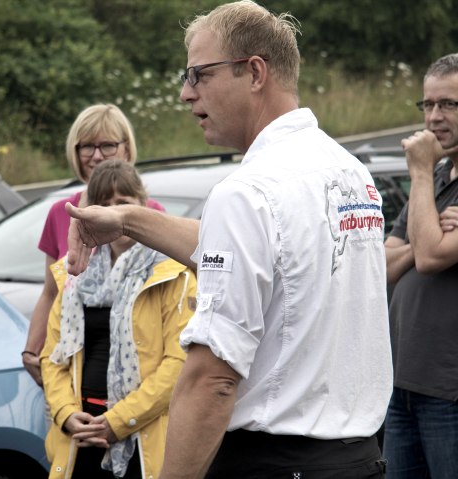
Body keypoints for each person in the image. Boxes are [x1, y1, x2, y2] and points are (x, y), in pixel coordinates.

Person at [64, 1, 393, 477]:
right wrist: (128, 220)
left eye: (198, 74)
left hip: (271, 461)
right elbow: (259, 257)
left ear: (254, 72)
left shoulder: (248, 191)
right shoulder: (346, 170)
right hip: (357, 458)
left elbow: (213, 378)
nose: (184, 93)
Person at [40, 160, 197, 479]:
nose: (113, 213)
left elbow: (178, 364)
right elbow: (53, 358)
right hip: (79, 437)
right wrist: (66, 414)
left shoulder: (173, 272)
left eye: (123, 203)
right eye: (104, 204)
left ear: (143, 207)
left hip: (142, 438)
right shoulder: (73, 274)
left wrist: (118, 421)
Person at [22, 104, 163, 386]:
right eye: (87, 146)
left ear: (126, 148)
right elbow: (51, 292)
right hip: (66, 369)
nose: (96, 155)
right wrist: (31, 349)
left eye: (107, 145)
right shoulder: (61, 211)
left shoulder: (151, 212)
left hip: (134, 374)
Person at [382, 53, 458, 479]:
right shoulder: (437, 177)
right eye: (427, 105)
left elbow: (429, 259)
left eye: (448, 104)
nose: (434, 118)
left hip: (450, 392)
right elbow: (384, 266)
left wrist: (421, 171)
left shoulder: (427, 173)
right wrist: (426, 237)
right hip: (402, 382)